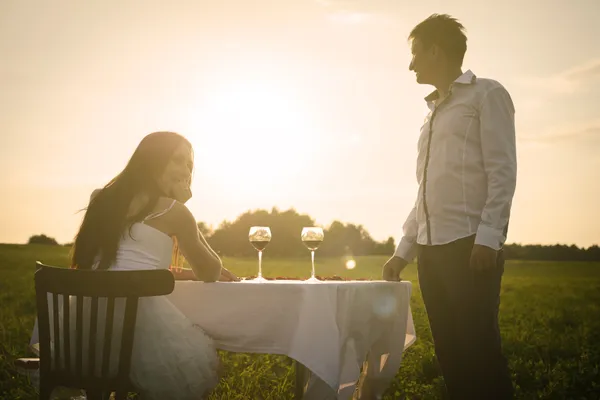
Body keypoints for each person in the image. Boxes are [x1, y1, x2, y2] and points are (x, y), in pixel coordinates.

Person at [382, 14, 516, 399]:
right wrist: (403, 251)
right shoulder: (431, 115)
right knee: (450, 355)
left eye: (416, 53)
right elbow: (425, 192)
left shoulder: (487, 95)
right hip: (430, 252)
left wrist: (488, 238)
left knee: (480, 354)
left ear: (435, 50)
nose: (411, 64)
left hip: (469, 246)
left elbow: (502, 170)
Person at [71, 131, 238, 399]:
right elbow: (211, 271)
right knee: (184, 367)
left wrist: (182, 272)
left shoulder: (100, 198)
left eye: (189, 165)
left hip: (84, 327)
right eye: (178, 160)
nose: (185, 170)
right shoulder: (175, 211)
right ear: (153, 161)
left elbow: (120, 262)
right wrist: (182, 209)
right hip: (137, 328)